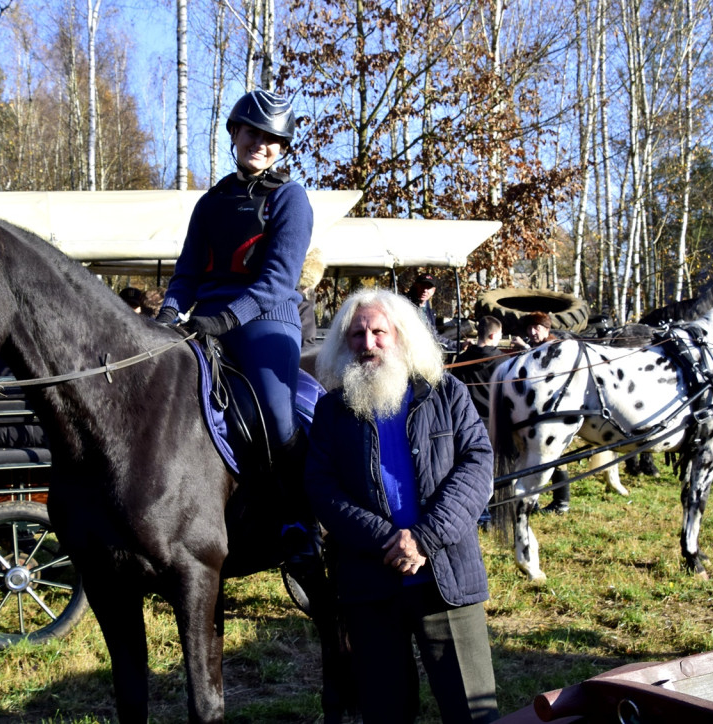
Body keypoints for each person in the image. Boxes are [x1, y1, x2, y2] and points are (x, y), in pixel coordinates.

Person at [306, 289, 499, 724]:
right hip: (370, 586)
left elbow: (477, 463)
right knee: (384, 712)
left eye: (378, 331)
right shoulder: (332, 410)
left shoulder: (446, 393)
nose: (368, 343)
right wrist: (386, 540)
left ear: (401, 335)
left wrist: (424, 539)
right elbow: (322, 487)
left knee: (474, 711)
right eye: (356, 334)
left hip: (447, 578)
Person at [155, 89, 317, 562]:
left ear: (282, 147)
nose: (260, 144)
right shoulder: (210, 203)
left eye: (272, 138)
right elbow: (187, 273)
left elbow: (276, 281)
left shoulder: (290, 199)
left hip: (266, 321)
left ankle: (298, 521)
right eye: (253, 133)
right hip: (206, 319)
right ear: (235, 133)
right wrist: (167, 315)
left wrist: (225, 318)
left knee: (276, 409)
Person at [511, 311, 571, 514]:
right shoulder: (537, 345)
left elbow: (545, 370)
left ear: (547, 329)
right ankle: (533, 501)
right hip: (536, 410)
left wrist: (526, 350)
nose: (532, 332)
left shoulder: (555, 347)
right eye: (530, 328)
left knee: (556, 455)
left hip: (555, 412)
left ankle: (562, 501)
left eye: (537, 328)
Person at [451, 315, 505, 530]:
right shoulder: (503, 362)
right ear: (493, 335)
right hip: (494, 424)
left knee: (469, 470)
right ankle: (491, 512)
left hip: (467, 424)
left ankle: (479, 514)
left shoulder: (463, 359)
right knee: (493, 471)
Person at [405, 273, 458, 353]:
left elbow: (434, 337)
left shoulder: (429, 312)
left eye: (428, 287)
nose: (425, 290)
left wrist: (458, 345)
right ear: (416, 286)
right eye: (422, 286)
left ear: (433, 291)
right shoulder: (404, 306)